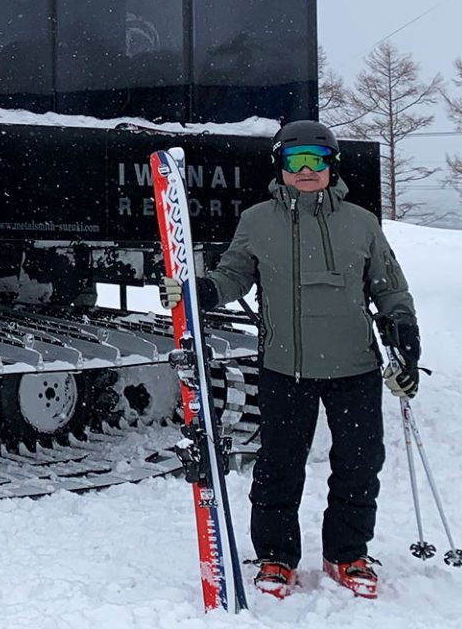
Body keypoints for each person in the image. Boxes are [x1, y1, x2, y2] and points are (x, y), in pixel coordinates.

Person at [162, 119, 420, 600]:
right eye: (295, 160)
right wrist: (203, 290)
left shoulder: (361, 223)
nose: (306, 170)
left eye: (316, 160)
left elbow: (390, 290)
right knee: (279, 466)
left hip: (355, 369)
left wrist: (405, 340)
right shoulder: (258, 220)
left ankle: (347, 553)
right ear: (280, 166)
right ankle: (276, 558)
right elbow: (234, 274)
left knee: (360, 465)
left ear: (331, 167)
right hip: (286, 368)